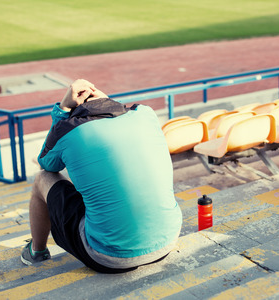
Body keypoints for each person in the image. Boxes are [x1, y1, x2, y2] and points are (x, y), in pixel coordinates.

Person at [21, 79, 182, 273]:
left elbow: (46, 164)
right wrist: (107, 101)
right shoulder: (146, 114)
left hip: (108, 257)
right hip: (168, 239)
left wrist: (62, 110)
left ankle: (37, 252)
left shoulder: (68, 130)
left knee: (42, 179)